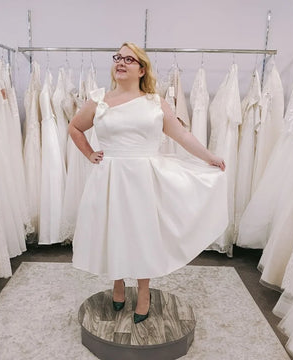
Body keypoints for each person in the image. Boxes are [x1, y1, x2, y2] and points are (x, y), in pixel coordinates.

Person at [69, 42, 228, 324]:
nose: (121, 62)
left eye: (129, 59)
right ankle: (117, 283)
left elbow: (182, 136)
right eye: (118, 57)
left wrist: (210, 156)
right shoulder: (99, 100)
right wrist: (90, 153)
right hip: (109, 178)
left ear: (142, 69)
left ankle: (144, 291)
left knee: (143, 234)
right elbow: (75, 127)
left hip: (144, 178)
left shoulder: (155, 102)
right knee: (112, 230)